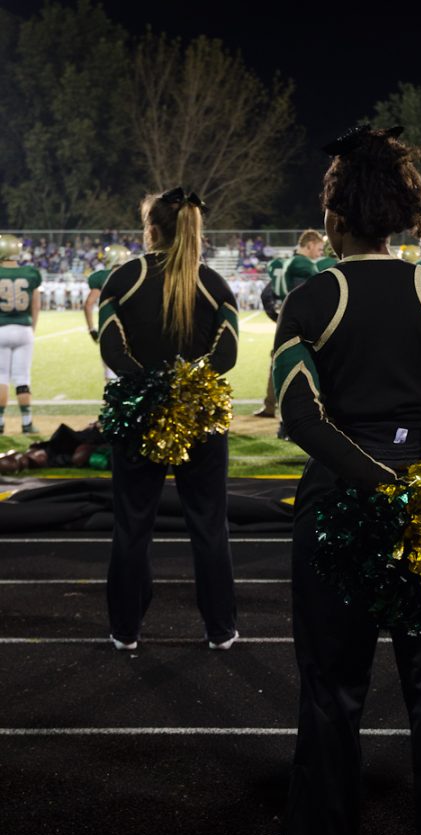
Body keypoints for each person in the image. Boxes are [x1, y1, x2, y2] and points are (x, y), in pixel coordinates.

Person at [258, 126, 421, 835]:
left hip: (337, 507)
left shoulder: (311, 297)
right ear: (404, 216)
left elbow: (299, 418)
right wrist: (418, 486)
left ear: (334, 219)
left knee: (331, 689)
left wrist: (374, 483)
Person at [98, 186, 239, 652]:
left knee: (132, 525)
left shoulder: (124, 279)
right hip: (199, 419)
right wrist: (183, 393)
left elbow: (111, 348)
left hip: (139, 419)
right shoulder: (215, 285)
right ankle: (220, 629)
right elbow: (228, 353)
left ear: (151, 230)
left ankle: (125, 629)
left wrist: (151, 392)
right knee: (209, 526)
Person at [253, 230, 324, 432]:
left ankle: (270, 407)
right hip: (299, 324)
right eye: (318, 249)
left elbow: (269, 293)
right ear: (309, 245)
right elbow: (304, 298)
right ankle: (288, 422)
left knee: (279, 361)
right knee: (300, 368)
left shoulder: (286, 263)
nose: (319, 254)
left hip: (285, 320)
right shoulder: (302, 264)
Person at [0, 233, 42, 435]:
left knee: (1, 378)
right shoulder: (30, 273)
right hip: (24, 329)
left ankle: (0, 423)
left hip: (1, 329)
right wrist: (30, 329)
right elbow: (36, 306)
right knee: (23, 377)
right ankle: (26, 423)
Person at [84, 244, 132, 381]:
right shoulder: (134, 275)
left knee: (111, 378)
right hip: (132, 330)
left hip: (109, 328)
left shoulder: (100, 277)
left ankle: (112, 402)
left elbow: (88, 304)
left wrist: (91, 329)